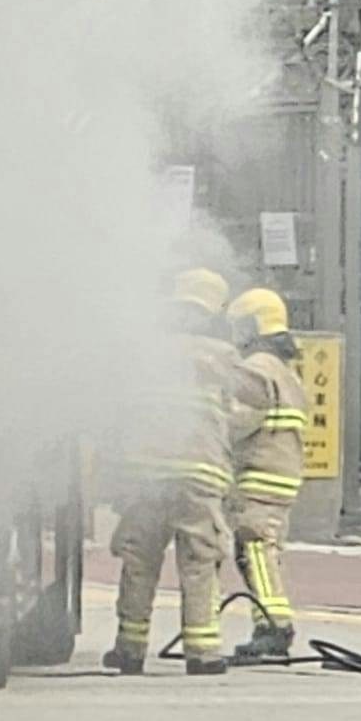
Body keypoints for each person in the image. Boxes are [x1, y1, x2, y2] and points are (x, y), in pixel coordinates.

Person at [104, 268, 237, 677]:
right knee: (199, 562)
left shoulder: (144, 352)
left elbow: (117, 410)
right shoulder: (221, 356)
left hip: (145, 478)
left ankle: (129, 649)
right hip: (200, 476)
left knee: (139, 561)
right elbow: (244, 408)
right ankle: (203, 653)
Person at [226, 287, 307, 662]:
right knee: (264, 552)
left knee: (254, 548)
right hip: (281, 475)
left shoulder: (256, 368)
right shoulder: (284, 371)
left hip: (259, 474)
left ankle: (274, 627)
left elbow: (238, 421)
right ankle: (270, 623)